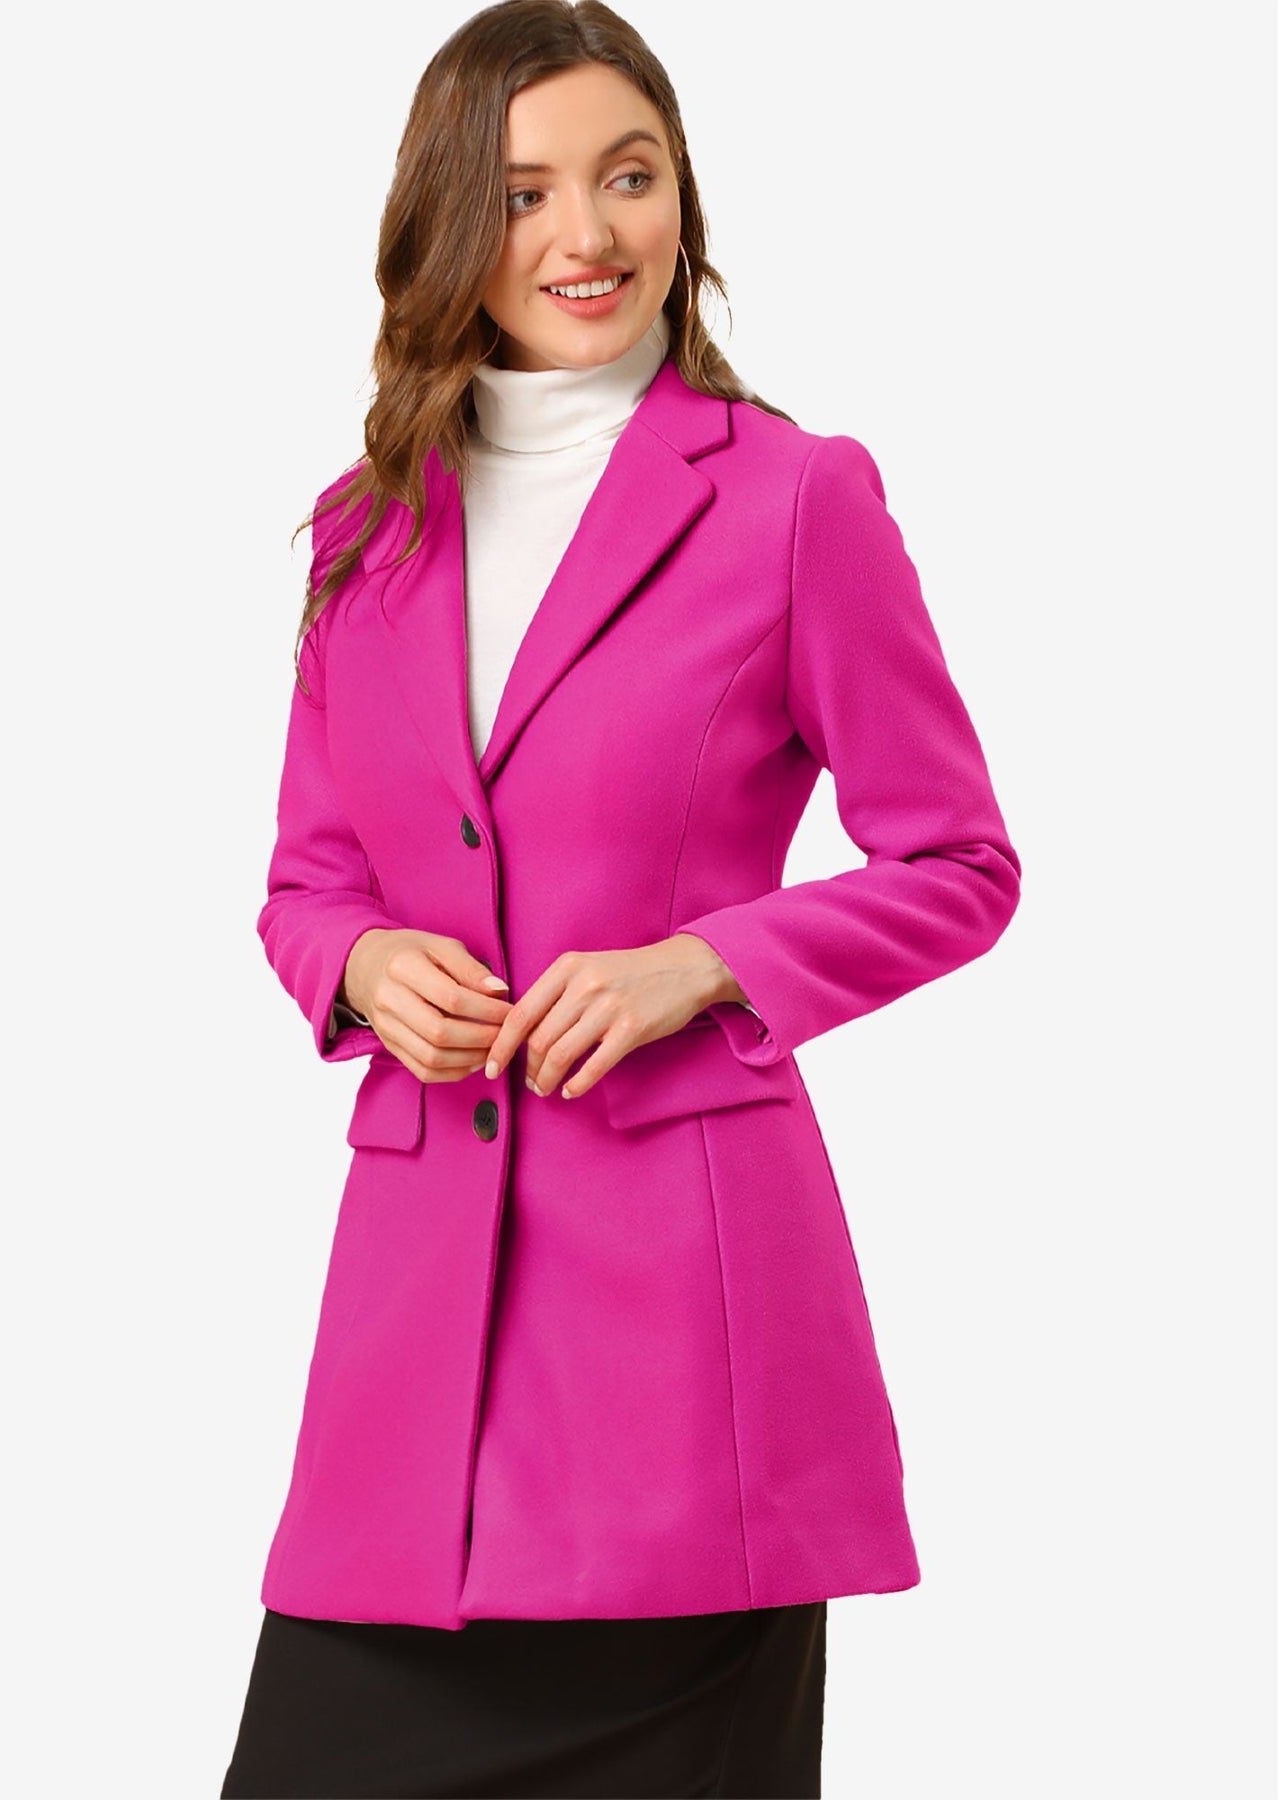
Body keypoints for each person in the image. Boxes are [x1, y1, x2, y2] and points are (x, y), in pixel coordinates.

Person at [219, 2, 1022, 1794]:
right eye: (522, 193)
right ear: (449, 220)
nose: (585, 234)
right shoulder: (366, 523)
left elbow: (959, 863)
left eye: (627, 176)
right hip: (411, 1350)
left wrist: (705, 963)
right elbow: (305, 877)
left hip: (682, 1352)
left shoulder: (792, 497)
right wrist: (359, 960)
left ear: (681, 196)